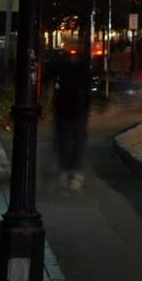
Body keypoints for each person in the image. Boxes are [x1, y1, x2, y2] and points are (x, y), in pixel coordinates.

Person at [53, 56, 91, 190]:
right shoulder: (81, 66)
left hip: (68, 108)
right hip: (75, 109)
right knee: (75, 140)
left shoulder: (63, 65)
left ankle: (69, 170)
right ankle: (73, 172)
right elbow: (87, 88)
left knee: (68, 139)